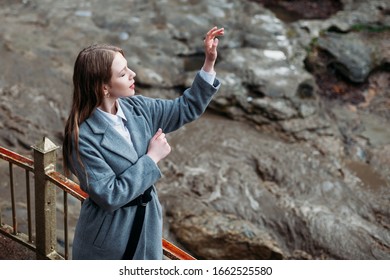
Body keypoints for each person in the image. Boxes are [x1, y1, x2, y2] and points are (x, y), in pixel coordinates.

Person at [62, 26, 224, 260]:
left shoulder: (139, 108)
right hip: (109, 238)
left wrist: (208, 63)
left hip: (147, 225)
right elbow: (109, 195)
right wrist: (151, 158)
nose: (133, 74)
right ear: (103, 87)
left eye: (128, 68)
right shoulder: (81, 138)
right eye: (123, 73)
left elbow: (185, 108)